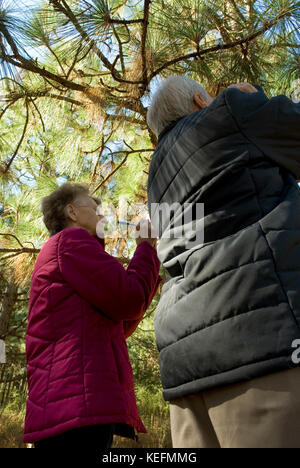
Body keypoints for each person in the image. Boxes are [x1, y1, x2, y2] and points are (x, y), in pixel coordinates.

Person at [146, 75, 300, 448]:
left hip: (186, 366)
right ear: (201, 100)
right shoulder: (229, 111)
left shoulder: (155, 174)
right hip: (262, 342)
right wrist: (252, 99)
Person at [23, 182, 162, 451]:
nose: (103, 214)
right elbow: (129, 299)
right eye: (95, 206)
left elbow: (118, 325)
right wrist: (145, 247)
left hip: (69, 405)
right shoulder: (71, 242)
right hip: (76, 405)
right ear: (72, 212)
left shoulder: (68, 251)